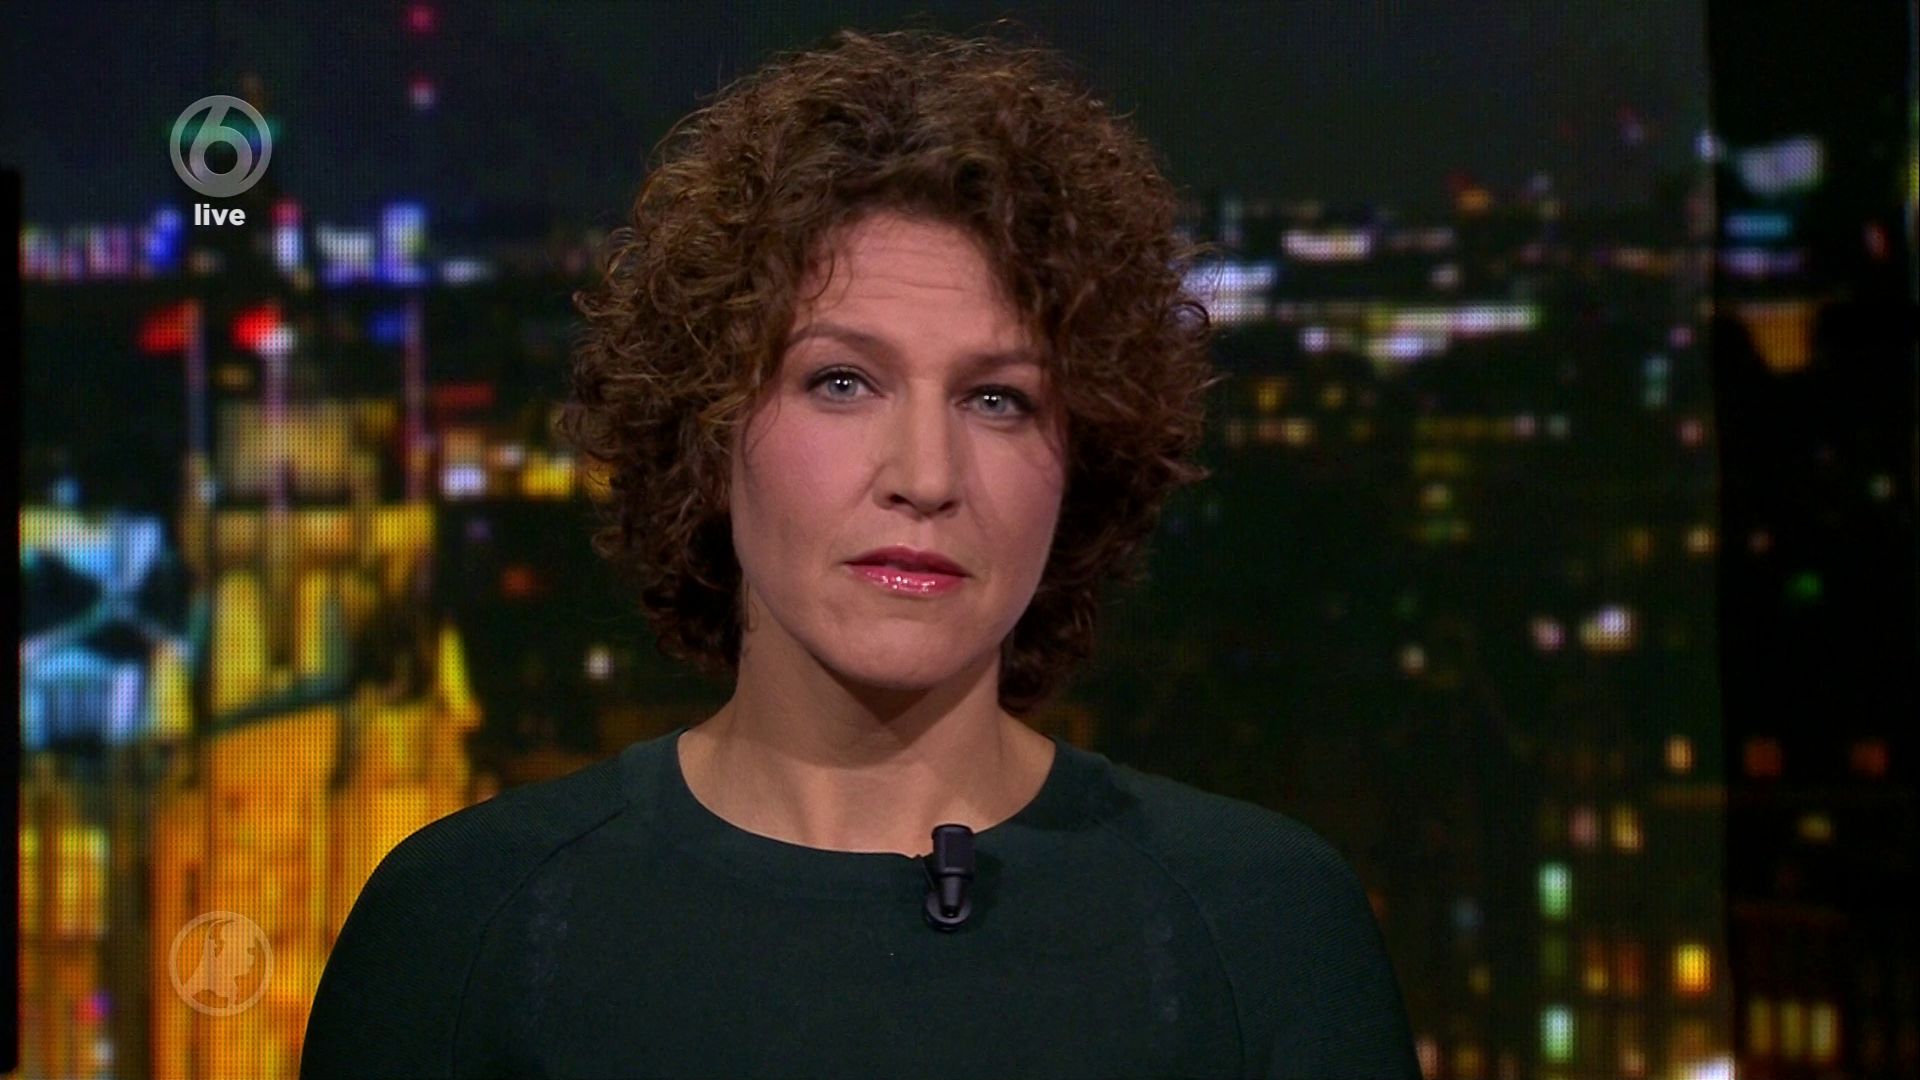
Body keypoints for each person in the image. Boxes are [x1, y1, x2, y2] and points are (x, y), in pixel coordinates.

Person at [301, 23, 1419, 1079]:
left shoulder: (1262, 934)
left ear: (1083, 462)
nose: (925, 475)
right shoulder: (464, 932)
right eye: (842, 382)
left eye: (998, 399)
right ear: (709, 428)